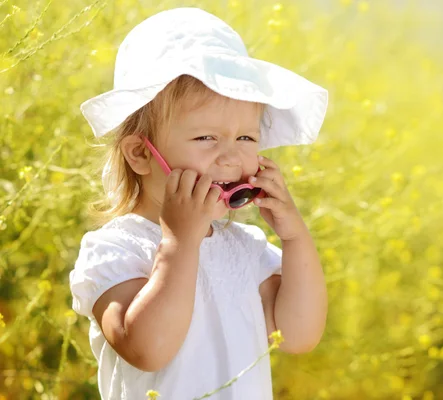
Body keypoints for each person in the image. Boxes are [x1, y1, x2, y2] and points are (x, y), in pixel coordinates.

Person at [69, 7, 328, 400]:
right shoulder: (115, 250)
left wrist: (294, 238)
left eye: (246, 139)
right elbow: (148, 350)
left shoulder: (247, 248)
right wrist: (179, 243)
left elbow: (299, 336)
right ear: (141, 154)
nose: (230, 158)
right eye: (206, 138)